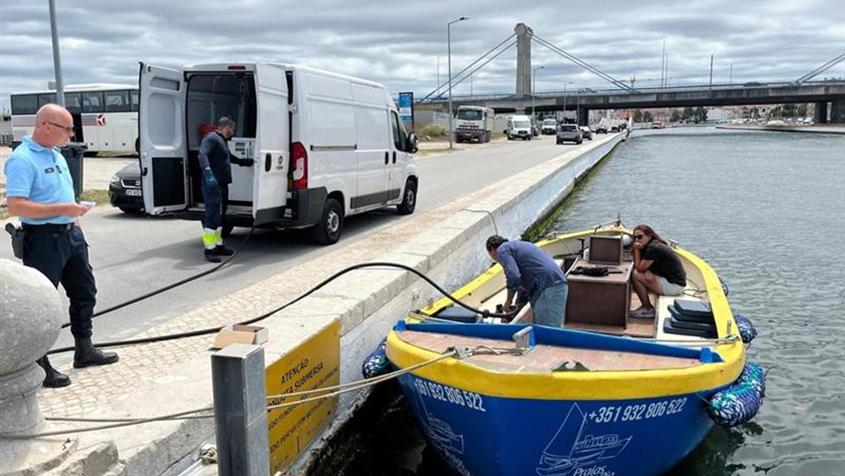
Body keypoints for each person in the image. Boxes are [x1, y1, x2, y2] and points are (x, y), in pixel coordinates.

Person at [5, 104, 119, 388]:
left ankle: (84, 348)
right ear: (45, 126)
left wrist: (75, 221)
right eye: (66, 128)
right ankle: (40, 364)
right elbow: (17, 205)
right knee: (42, 305)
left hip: (71, 235)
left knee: (85, 292)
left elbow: (62, 194)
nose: (71, 134)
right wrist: (63, 208)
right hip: (43, 239)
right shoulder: (22, 159)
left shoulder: (56, 154)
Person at [197, 117, 253, 262]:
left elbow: (227, 157)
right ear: (226, 127)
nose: (232, 132)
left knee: (221, 216)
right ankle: (209, 249)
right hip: (212, 184)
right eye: (231, 129)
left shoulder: (222, 141)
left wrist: (243, 162)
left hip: (222, 184)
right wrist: (208, 172)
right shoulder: (211, 139)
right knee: (212, 215)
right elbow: (202, 155)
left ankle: (218, 244)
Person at [486, 235, 568, 327]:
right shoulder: (517, 247)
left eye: (491, 255)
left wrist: (508, 301)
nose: (495, 259)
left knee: (548, 332)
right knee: (541, 329)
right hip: (552, 285)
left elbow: (513, 276)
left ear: (493, 249)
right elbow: (522, 287)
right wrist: (516, 309)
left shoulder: (502, 250)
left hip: (548, 287)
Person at [630, 224, 687, 318]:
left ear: (649, 235)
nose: (637, 240)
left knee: (635, 275)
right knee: (643, 275)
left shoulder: (653, 248)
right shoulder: (654, 243)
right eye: (635, 237)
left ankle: (647, 308)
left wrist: (637, 250)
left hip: (674, 286)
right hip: (675, 282)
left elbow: (639, 268)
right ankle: (646, 306)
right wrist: (648, 271)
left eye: (640, 237)